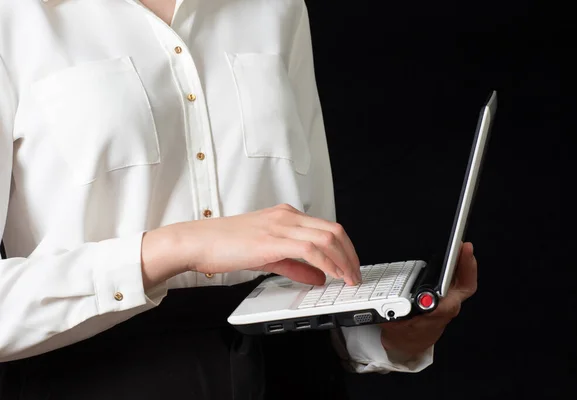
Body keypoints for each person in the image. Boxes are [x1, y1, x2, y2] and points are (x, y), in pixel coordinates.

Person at [0, 0, 478, 398]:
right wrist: (182, 245)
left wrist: (395, 333)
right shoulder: (16, 18)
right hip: (95, 379)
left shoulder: (277, 8)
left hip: (295, 380)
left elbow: (314, 261)